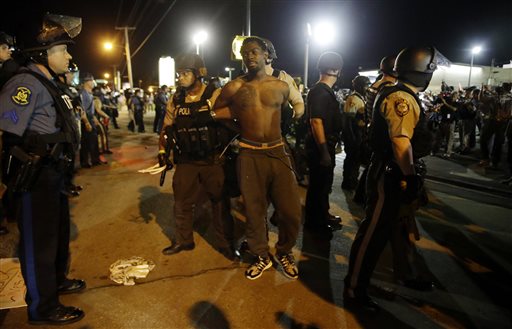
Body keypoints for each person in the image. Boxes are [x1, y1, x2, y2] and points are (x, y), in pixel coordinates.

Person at [0, 14, 85, 325]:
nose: (69, 55)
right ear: (43, 54)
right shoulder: (24, 83)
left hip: (54, 174)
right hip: (35, 178)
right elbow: (5, 130)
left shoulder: (48, 83)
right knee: (40, 243)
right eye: (63, 50)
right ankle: (43, 307)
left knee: (57, 235)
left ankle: (57, 282)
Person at [344, 46, 443, 312]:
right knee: (373, 234)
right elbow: (401, 143)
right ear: (423, 71)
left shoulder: (400, 92)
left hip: (391, 170)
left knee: (392, 229)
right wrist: (409, 178)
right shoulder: (402, 97)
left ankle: (403, 275)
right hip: (391, 173)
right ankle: (354, 289)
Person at [212, 36, 301, 280]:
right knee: (253, 211)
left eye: (254, 52)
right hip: (249, 153)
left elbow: (296, 108)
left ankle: (284, 251)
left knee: (291, 210)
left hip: (277, 151)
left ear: (266, 56)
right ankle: (261, 255)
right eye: (244, 53)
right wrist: (237, 122)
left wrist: (293, 117)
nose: (248, 56)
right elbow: (216, 111)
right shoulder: (235, 86)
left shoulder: (281, 86)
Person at [158, 53, 235, 260]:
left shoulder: (215, 94)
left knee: (220, 203)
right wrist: (162, 151)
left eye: (185, 73)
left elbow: (234, 113)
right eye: (179, 74)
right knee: (181, 202)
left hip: (213, 159)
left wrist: (210, 114)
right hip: (187, 160)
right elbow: (166, 128)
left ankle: (225, 243)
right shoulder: (176, 98)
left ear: (199, 74)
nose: (180, 78)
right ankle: (184, 240)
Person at [303, 51, 344, 236]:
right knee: (318, 187)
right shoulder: (321, 91)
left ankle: (323, 215)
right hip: (321, 146)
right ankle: (316, 224)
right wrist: (324, 152)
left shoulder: (322, 91)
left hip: (324, 144)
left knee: (323, 185)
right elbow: (316, 121)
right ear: (336, 70)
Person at [352, 55, 398, 205]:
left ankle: (362, 195)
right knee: (379, 169)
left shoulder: (376, 85)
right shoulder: (388, 88)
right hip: (382, 133)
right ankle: (369, 198)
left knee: (374, 165)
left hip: (372, 130)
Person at [341, 75, 370, 190]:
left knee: (356, 160)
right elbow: (347, 121)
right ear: (358, 86)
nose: (367, 88)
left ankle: (353, 180)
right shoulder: (353, 99)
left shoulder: (361, 98)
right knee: (351, 159)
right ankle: (348, 182)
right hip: (353, 135)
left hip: (359, 134)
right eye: (365, 85)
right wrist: (351, 138)